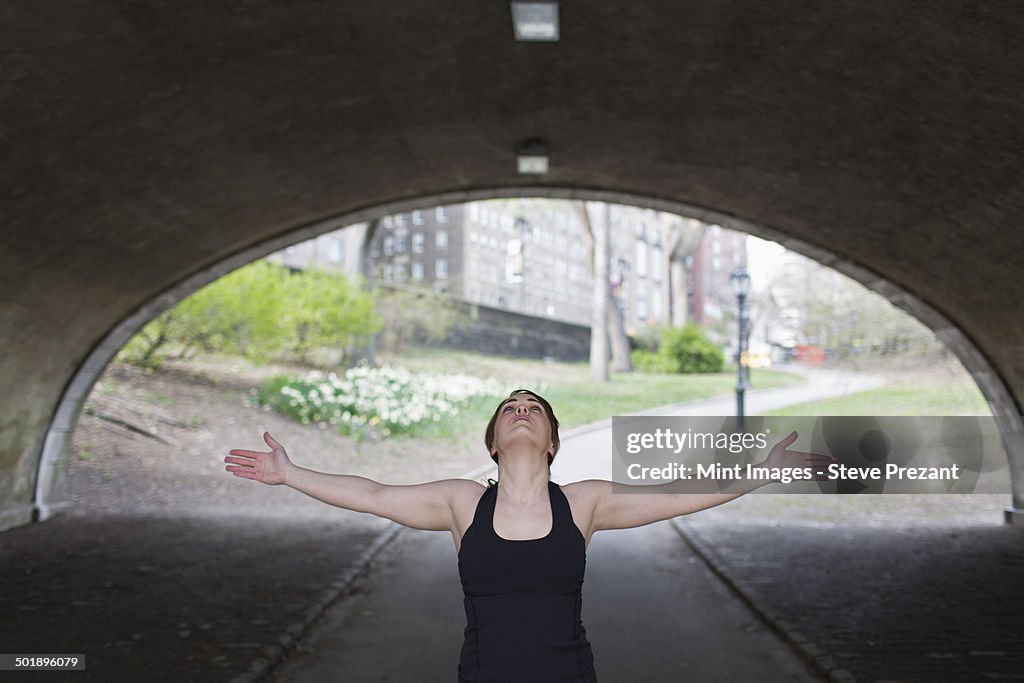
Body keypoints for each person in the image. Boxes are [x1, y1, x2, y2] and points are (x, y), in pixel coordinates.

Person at [224, 389, 828, 682]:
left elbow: (679, 491)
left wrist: (760, 472)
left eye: (533, 408)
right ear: (492, 441)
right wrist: (291, 474)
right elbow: (374, 494)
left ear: (552, 441)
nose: (521, 409)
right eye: (510, 407)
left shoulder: (583, 502)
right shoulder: (460, 502)